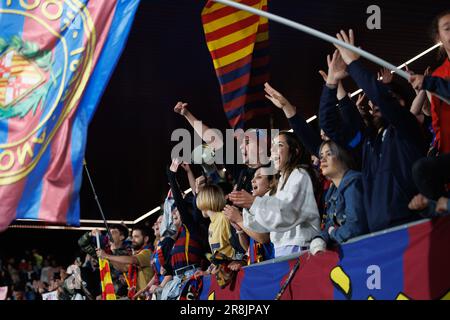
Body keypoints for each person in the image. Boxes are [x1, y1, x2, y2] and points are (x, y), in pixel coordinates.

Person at [322, 30, 426, 232]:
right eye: (373, 103)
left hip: (410, 228)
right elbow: (329, 124)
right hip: (375, 235)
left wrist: (353, 64)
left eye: (387, 99)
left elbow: (382, 99)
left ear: (402, 105)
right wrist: (331, 83)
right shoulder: (366, 141)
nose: (374, 105)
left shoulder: (407, 128)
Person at [229, 131, 321, 258]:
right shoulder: (282, 179)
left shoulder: (300, 174)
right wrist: (248, 207)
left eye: (280, 145)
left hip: (299, 245)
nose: (273, 150)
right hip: (281, 248)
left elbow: (286, 214)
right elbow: (262, 226)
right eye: (273, 145)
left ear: (295, 150)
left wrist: (253, 203)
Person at [310, 141, 368, 254]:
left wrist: (332, 233)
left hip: (364, 253)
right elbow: (328, 226)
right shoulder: (331, 193)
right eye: (321, 156)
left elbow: (354, 228)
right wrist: (320, 238)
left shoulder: (354, 184)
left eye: (329, 154)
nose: (322, 160)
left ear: (342, 156)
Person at [224, 165, 277, 264]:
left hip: (274, 262)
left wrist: (239, 219)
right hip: (259, 266)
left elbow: (264, 238)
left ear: (271, 183)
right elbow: (249, 248)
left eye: (259, 177)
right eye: (253, 178)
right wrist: (240, 229)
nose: (252, 181)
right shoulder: (251, 207)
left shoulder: (271, 202)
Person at [97, 226, 153, 300]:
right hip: (139, 296)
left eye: (136, 237)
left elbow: (133, 260)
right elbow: (124, 268)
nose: (133, 240)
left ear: (146, 239)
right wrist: (107, 257)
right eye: (132, 237)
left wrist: (107, 256)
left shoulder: (148, 252)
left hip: (147, 296)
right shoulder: (137, 253)